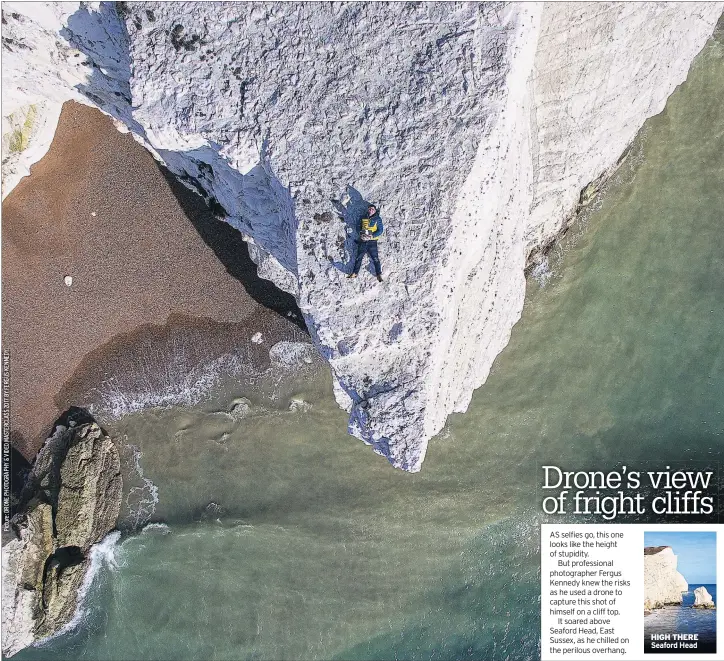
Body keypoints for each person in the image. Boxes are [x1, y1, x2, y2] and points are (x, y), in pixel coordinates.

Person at [347, 204, 384, 282]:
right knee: (358, 257)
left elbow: (380, 230)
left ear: (375, 210)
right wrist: (360, 234)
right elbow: (358, 227)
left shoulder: (378, 219)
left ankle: (378, 274)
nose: (371, 210)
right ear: (368, 210)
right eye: (370, 209)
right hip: (363, 240)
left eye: (373, 209)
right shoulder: (363, 217)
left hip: (372, 241)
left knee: (375, 258)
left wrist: (372, 236)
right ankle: (354, 273)